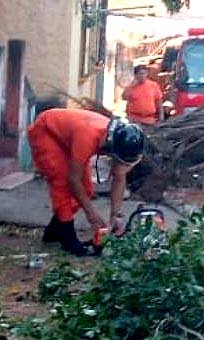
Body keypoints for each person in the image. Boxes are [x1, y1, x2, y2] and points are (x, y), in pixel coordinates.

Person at [28, 108, 145, 256]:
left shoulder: (117, 138)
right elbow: (73, 180)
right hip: (46, 131)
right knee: (62, 182)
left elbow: (119, 176)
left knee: (87, 189)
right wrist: (91, 214)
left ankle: (54, 231)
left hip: (68, 136)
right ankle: (67, 235)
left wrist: (115, 215)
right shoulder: (87, 137)